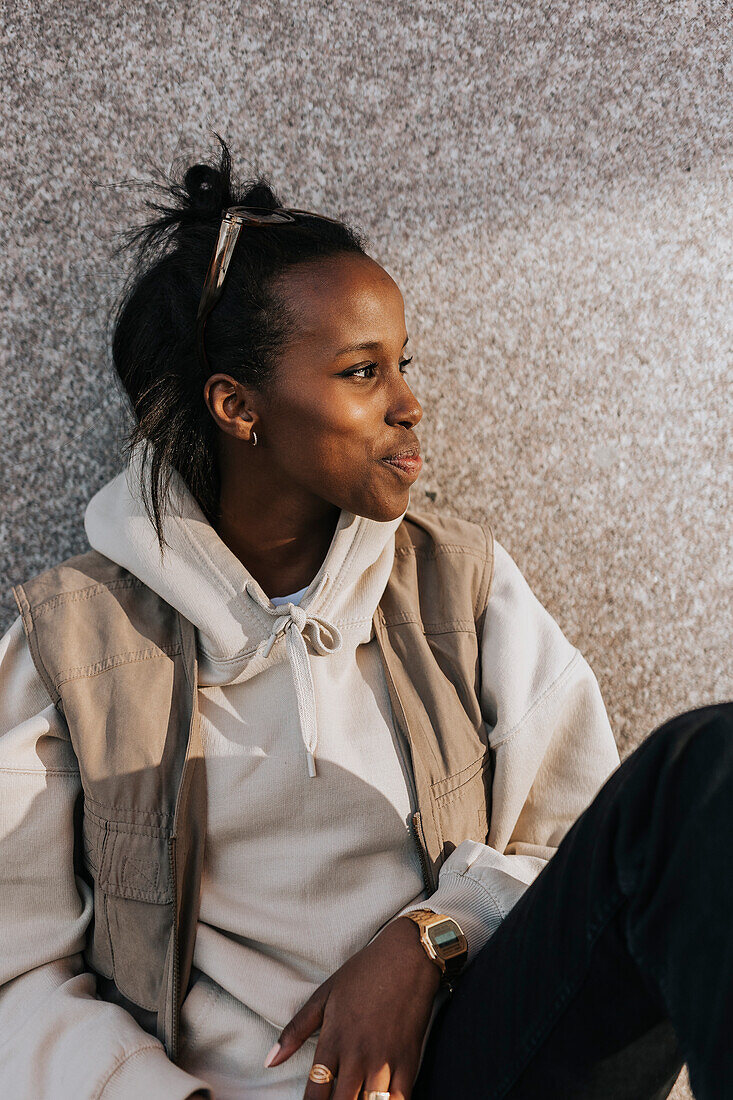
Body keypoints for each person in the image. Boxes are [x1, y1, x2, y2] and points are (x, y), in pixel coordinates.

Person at [0, 135, 728, 1100]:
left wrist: (432, 938)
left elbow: (575, 851)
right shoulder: (72, 643)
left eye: (401, 365)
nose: (409, 405)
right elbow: (16, 975)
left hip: (472, 1069)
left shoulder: (456, 585)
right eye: (360, 372)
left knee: (702, 773)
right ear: (237, 406)